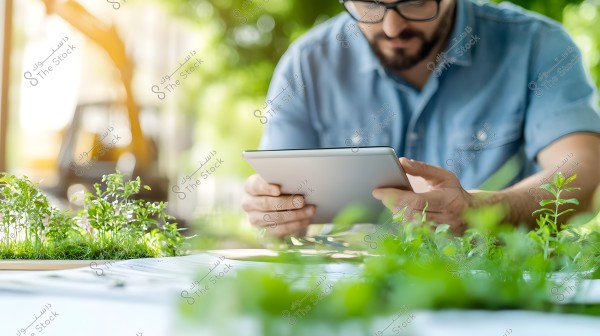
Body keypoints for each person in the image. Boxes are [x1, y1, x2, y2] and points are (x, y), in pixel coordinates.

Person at [241, 0, 600, 238]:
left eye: (415, 1)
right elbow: (275, 192)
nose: (393, 27)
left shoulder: (537, 45)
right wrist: (271, 211)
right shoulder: (307, 63)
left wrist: (484, 211)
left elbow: (583, 173)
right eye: (369, 3)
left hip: (494, 288)